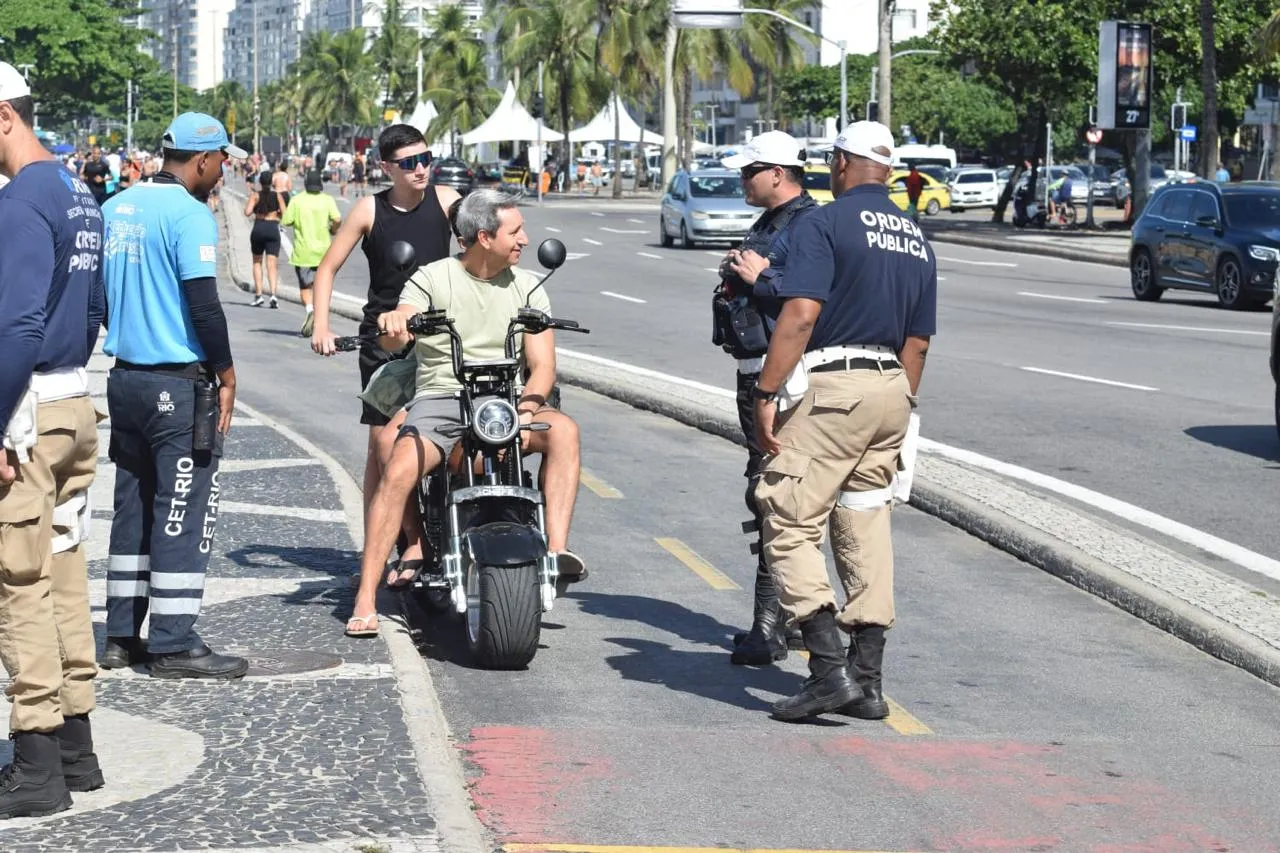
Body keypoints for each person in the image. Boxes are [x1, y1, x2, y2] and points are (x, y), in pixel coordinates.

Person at [749, 122, 936, 722]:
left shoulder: (825, 223)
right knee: (865, 522)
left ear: (840, 162)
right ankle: (869, 677)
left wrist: (766, 392)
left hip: (836, 387)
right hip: (892, 390)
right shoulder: (914, 235)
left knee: (785, 513)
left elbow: (801, 314)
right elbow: (919, 342)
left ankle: (828, 670)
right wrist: (902, 407)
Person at [348, 189, 586, 637]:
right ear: (483, 237)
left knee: (565, 431)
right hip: (442, 398)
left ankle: (555, 552)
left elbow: (542, 368)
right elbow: (401, 329)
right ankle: (366, 595)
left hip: (508, 399)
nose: (525, 239)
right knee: (398, 467)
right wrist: (396, 325)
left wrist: (526, 408)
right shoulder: (431, 278)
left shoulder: (529, 285)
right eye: (515, 231)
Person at [98, 112, 248, 680]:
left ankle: (119, 635)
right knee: (183, 507)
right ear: (203, 159)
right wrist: (227, 373)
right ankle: (172, 640)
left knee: (131, 506)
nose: (223, 172)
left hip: (125, 377)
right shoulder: (189, 216)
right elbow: (204, 306)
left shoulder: (117, 207)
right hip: (177, 383)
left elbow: (100, 299)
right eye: (221, 162)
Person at [0, 60, 107, 819]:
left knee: (18, 582)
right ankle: (77, 743)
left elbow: (16, 323)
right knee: (65, 571)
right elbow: (93, 306)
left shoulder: (20, 200)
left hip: (30, 407)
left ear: (4, 115)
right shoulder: (79, 190)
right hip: (74, 397)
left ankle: (35, 764)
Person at [309, 124, 461, 588]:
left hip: (440, 336)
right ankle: (413, 539)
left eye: (426, 158)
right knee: (384, 445)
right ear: (385, 168)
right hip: (384, 341)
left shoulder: (447, 200)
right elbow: (327, 268)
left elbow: (482, 238)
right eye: (409, 163)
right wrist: (320, 324)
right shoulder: (368, 209)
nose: (421, 169)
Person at [713, 131, 818, 666]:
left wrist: (762, 277)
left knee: (772, 493)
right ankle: (793, 619)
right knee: (771, 493)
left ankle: (770, 627)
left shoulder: (807, 224)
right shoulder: (773, 222)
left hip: (781, 378)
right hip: (756, 372)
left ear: (777, 173)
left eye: (749, 170)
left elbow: (807, 300)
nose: (741, 179)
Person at [282, 169, 342, 337]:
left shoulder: (297, 200)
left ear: (306, 184)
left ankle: (309, 310)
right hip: (324, 251)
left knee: (305, 287)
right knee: (321, 285)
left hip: (303, 252)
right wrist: (333, 229)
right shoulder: (327, 200)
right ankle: (319, 315)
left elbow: (286, 221)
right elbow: (337, 219)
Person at [244, 170, 287, 308]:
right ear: (272, 183)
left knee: (257, 262)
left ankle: (259, 295)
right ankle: (273, 295)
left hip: (259, 227)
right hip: (273, 228)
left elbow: (247, 212)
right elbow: (286, 213)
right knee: (272, 265)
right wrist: (277, 214)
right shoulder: (277, 196)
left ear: (260, 182)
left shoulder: (255, 195)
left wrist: (255, 204)